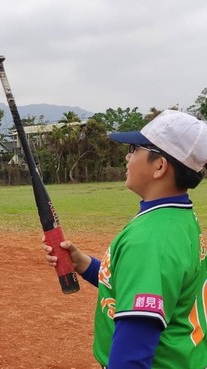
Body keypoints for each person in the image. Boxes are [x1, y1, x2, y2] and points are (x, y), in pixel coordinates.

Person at [43, 110, 207, 368]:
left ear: (160, 166)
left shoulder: (151, 240)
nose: (127, 157)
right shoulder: (177, 218)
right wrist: (84, 264)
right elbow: (141, 286)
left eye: (134, 149)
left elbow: (131, 357)